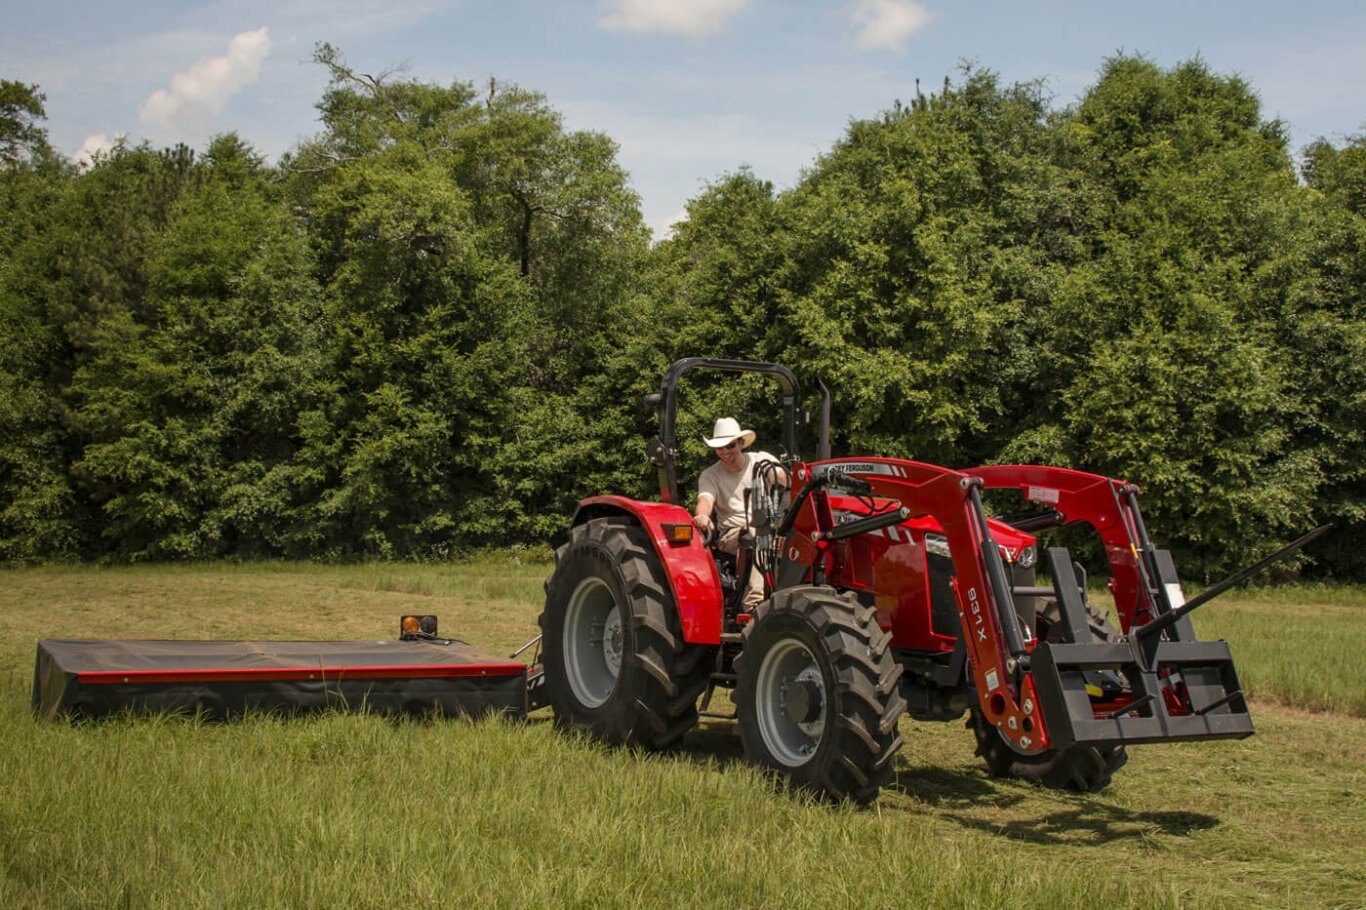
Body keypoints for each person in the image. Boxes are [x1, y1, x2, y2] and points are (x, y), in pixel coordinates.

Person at [692, 417, 787, 608]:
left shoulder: (762, 460)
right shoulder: (711, 475)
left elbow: (784, 482)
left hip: (770, 527)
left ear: (741, 443)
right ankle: (754, 605)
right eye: (720, 448)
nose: (725, 452)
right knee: (757, 535)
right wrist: (702, 516)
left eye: (730, 445)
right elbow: (705, 500)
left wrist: (781, 478)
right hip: (733, 533)